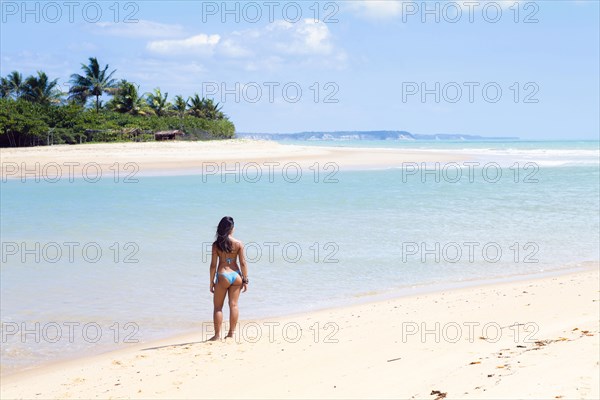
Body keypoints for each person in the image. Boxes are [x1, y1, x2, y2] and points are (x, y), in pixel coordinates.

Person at [209, 216, 248, 340]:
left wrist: (211, 282)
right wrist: (245, 280)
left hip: (223, 275)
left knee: (218, 307)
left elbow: (213, 265)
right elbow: (243, 263)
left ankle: (216, 336)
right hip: (236, 275)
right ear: (232, 228)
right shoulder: (238, 244)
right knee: (234, 305)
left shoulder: (216, 245)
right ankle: (230, 334)